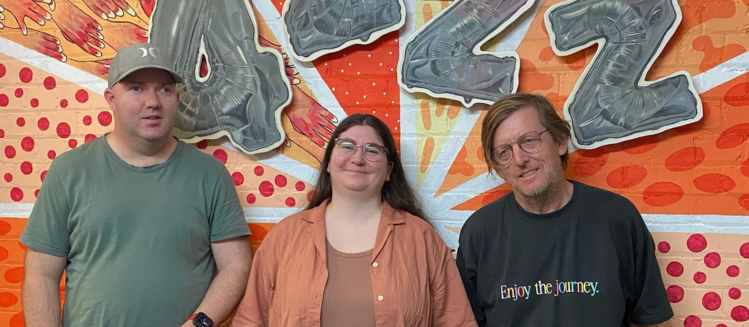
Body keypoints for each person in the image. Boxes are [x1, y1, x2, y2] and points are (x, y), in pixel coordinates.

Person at [20, 43, 252, 327]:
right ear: (111, 98)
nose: (153, 102)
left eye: (164, 89)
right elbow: (41, 273)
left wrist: (199, 324)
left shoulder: (211, 174)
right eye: (136, 88)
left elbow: (235, 266)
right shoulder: (69, 171)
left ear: (177, 97)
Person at [232, 114, 477, 327]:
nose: (358, 158)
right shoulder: (284, 238)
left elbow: (456, 321)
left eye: (372, 150)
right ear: (328, 162)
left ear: (389, 170)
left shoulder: (421, 238)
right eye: (347, 146)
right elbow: (251, 320)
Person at [456, 93, 674, 327]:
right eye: (504, 152)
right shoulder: (479, 232)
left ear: (560, 141)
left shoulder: (617, 218)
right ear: (498, 169)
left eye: (529, 140)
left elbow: (650, 319)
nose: (519, 159)